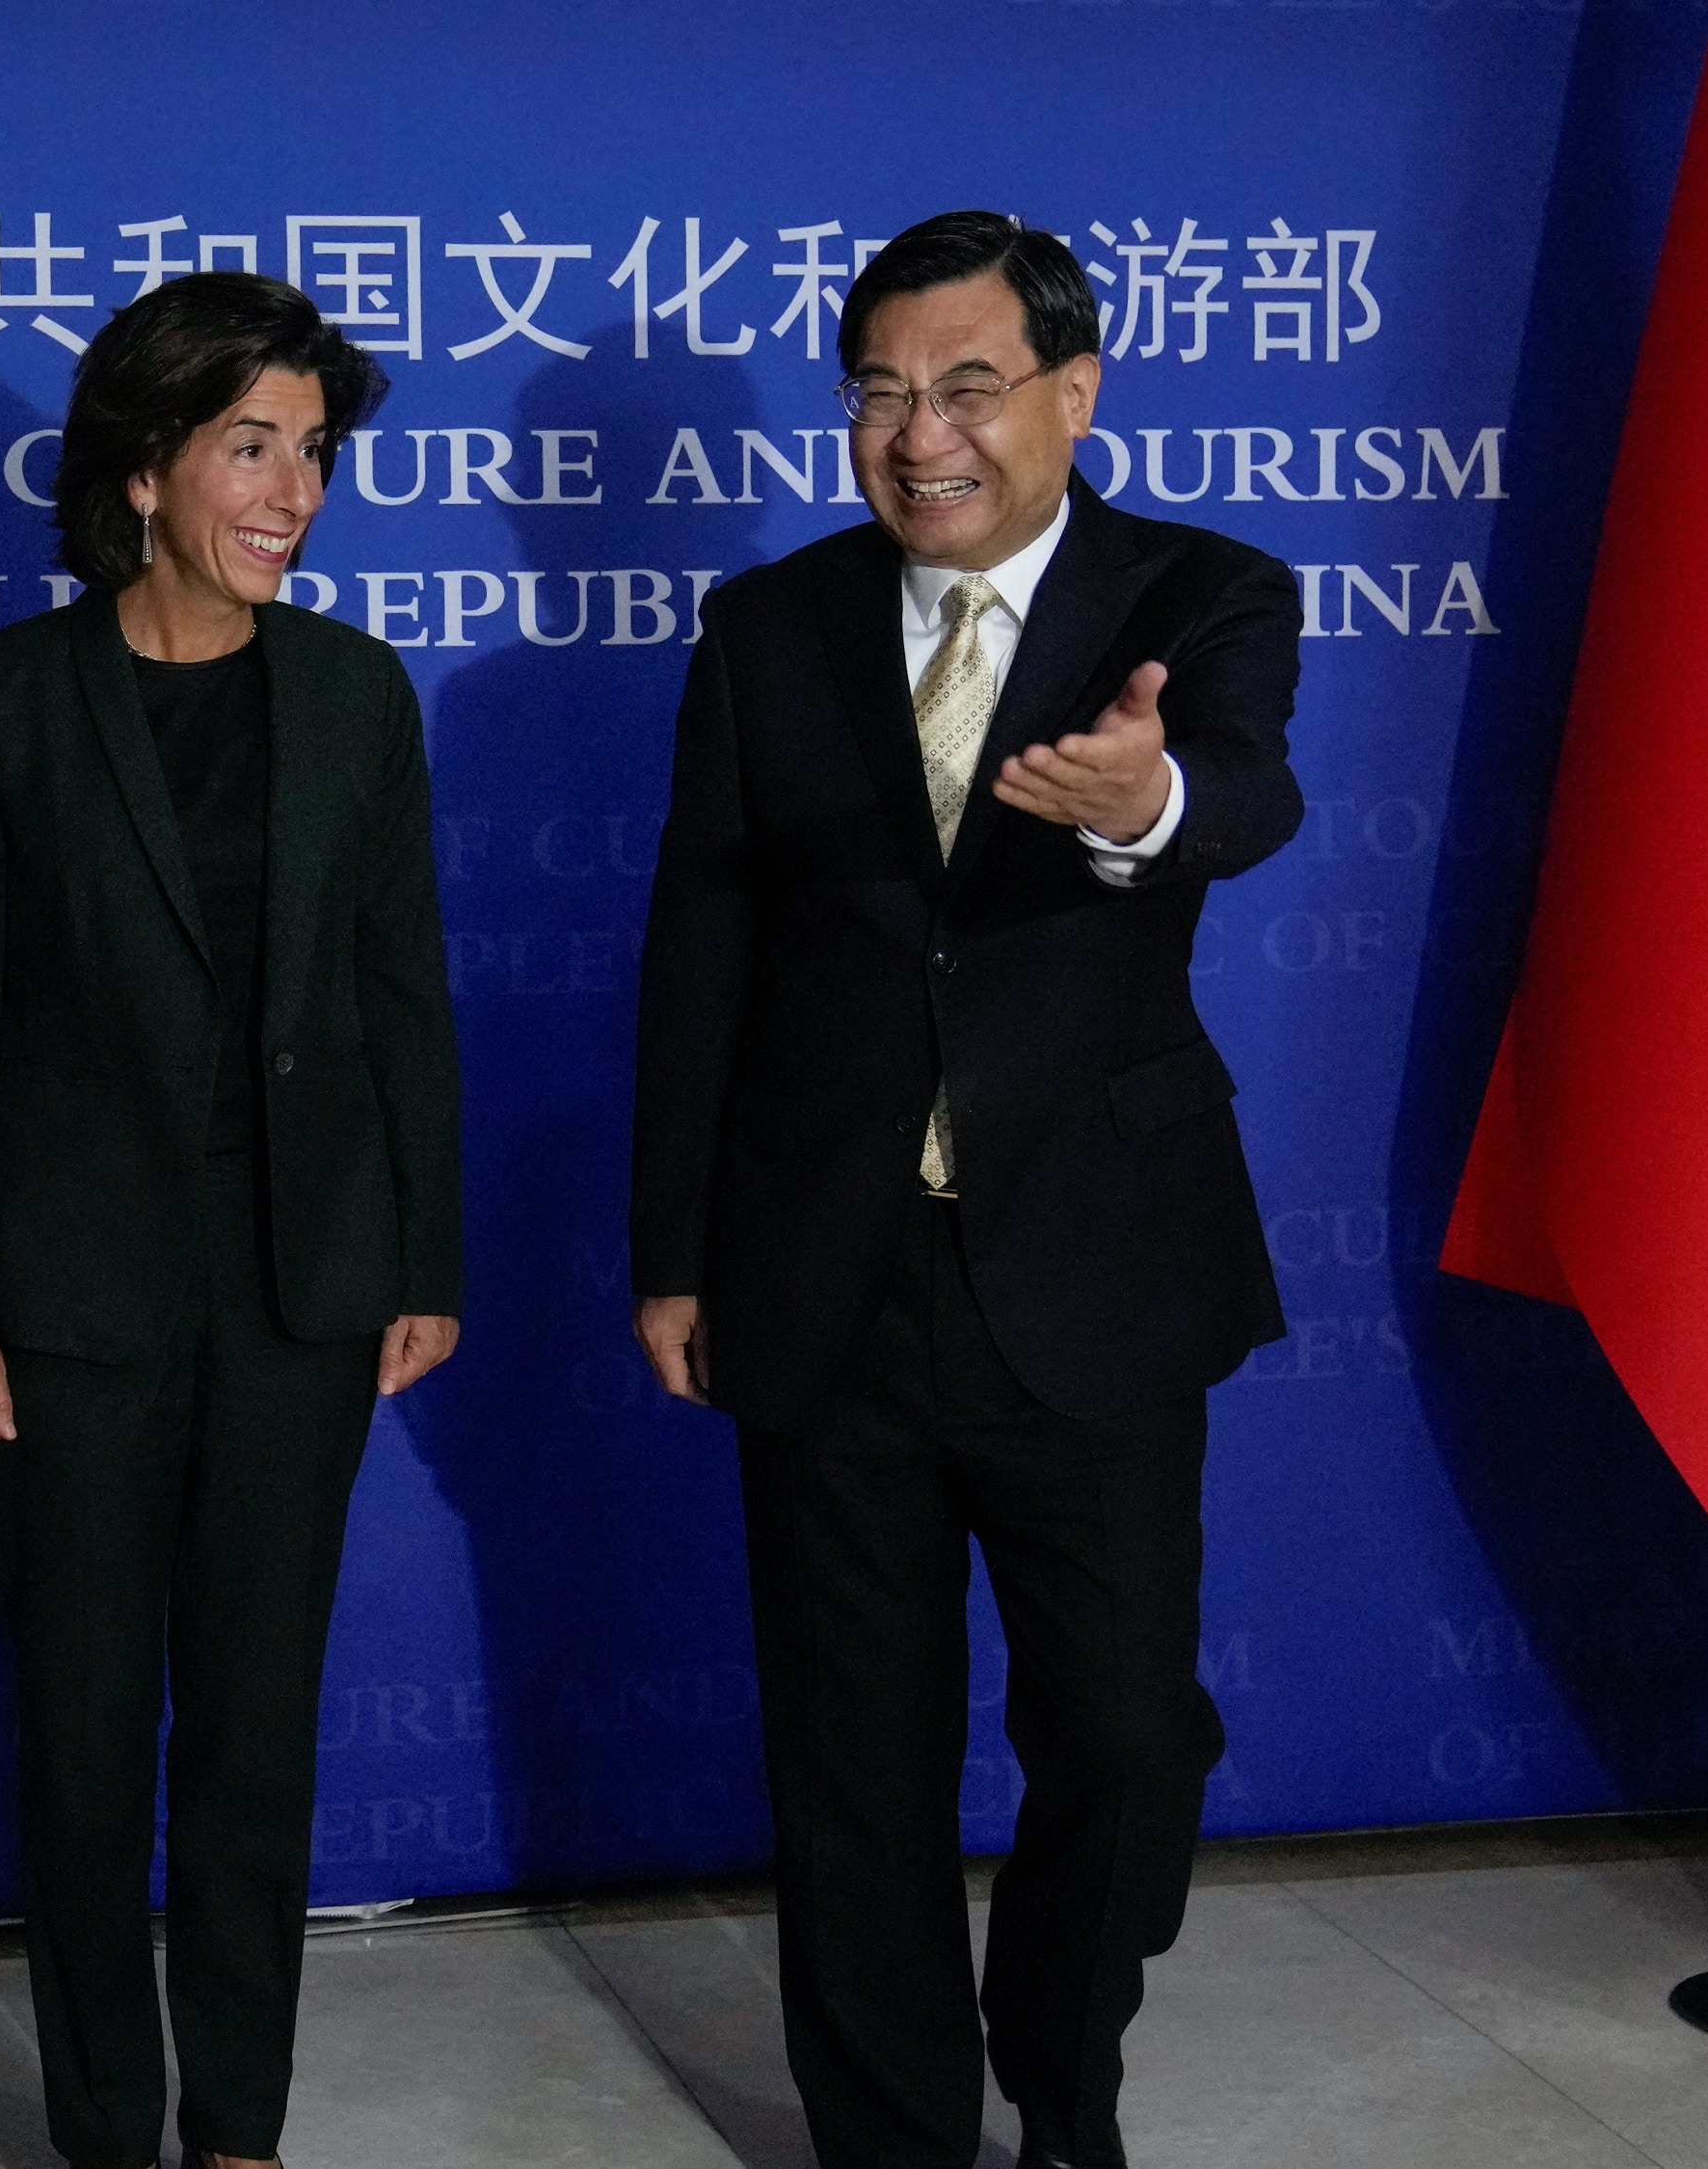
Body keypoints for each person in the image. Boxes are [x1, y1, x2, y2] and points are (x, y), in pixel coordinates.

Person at [627, 211, 1304, 2169]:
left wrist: (1142, 806)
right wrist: (673, 1248)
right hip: (821, 1272)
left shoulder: (1200, 590)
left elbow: (1243, 788)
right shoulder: (769, 628)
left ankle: (1062, 2080)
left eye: (967, 388)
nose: (918, 435)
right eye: (878, 391)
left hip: (1089, 1270)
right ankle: (892, 2138)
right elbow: (701, 944)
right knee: (852, 1762)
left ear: (1072, 396)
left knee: (1125, 1734)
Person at [0, 270, 466, 2169]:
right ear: (143, 468)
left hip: (304, 1286)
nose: (292, 492)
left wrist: (421, 1258)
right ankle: (104, 2131)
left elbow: (402, 993)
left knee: (253, 1730)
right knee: (80, 1742)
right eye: (249, 446)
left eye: (312, 451)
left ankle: (236, 2130)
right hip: (68, 1298)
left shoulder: (356, 693)